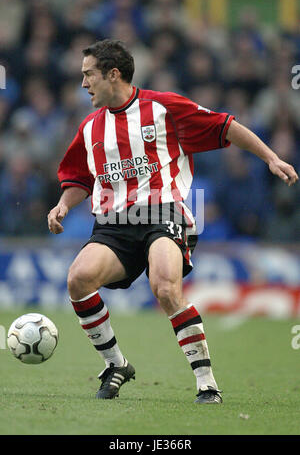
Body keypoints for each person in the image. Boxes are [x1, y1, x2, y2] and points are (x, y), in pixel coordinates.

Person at [47, 39, 298, 404]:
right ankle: (116, 365)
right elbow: (79, 179)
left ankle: (207, 383)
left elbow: (226, 126)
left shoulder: (162, 108)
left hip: (164, 213)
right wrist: (62, 205)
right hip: (113, 224)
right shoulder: (89, 128)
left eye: (89, 75)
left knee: (165, 287)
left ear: (113, 74)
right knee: (78, 279)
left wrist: (270, 158)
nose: (83, 84)